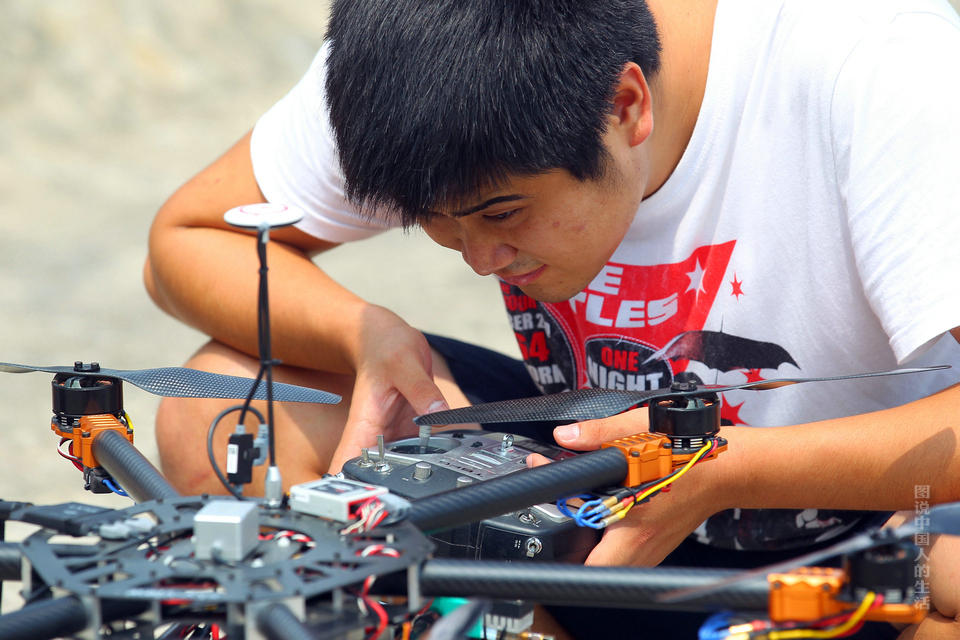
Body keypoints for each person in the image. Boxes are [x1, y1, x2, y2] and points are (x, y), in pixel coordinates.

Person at [144, 0, 960, 636]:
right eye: (435, 222)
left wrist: (730, 471)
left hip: (853, 541)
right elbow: (186, 239)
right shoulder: (420, 59)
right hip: (577, 503)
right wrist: (364, 335)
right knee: (222, 404)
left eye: (502, 212)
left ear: (627, 105)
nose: (478, 259)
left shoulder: (878, 68)